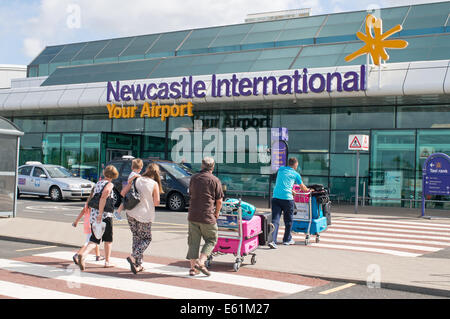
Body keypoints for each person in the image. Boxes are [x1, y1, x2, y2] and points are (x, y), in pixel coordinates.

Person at [186, 157, 223, 276]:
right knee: (211, 239)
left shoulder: (194, 178)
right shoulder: (215, 180)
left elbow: (190, 194)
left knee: (193, 242)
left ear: (202, 166)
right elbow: (219, 201)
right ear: (213, 167)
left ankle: (193, 269)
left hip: (193, 215)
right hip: (207, 215)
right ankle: (201, 262)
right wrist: (216, 214)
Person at [77, 165, 119, 271]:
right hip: (104, 216)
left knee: (94, 239)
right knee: (108, 240)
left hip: (94, 216)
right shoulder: (109, 184)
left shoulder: (98, 184)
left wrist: (97, 214)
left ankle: (84, 255)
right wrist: (101, 213)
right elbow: (104, 196)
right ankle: (107, 261)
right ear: (114, 175)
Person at [125, 163, 162, 274]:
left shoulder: (137, 179)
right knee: (146, 238)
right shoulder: (154, 184)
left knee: (136, 237)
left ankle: (138, 265)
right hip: (144, 215)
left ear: (146, 170)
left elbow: (126, 190)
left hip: (131, 212)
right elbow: (156, 202)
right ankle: (134, 256)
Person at [269, 157, 310, 249]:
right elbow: (303, 188)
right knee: (288, 220)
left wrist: (291, 190)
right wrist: (309, 190)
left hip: (276, 198)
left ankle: (272, 241)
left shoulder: (280, 169)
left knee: (275, 220)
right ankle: (286, 240)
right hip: (287, 200)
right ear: (295, 165)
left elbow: (283, 183)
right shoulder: (296, 174)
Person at [72, 188, 103, 265]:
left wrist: (76, 221)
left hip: (86, 223)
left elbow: (82, 212)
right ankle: (77, 255)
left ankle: (98, 256)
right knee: (89, 242)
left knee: (95, 240)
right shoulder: (96, 202)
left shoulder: (88, 202)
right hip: (93, 224)